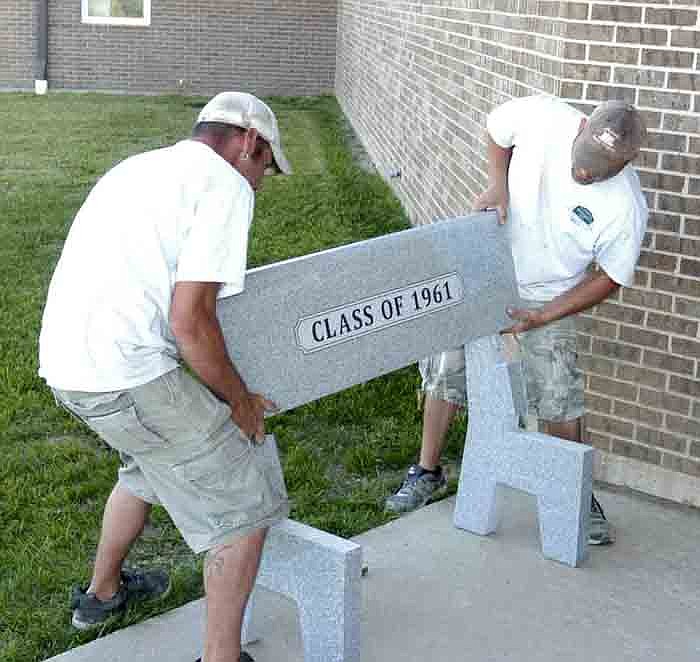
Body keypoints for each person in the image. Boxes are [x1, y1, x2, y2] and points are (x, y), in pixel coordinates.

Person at [39, 91, 292, 662]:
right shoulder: (225, 186)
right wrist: (240, 401)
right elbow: (192, 322)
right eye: (265, 168)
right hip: (123, 373)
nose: (260, 182)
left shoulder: (140, 166)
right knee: (244, 504)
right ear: (249, 143)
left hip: (67, 365)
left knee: (149, 462)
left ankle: (101, 596)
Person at [385, 95, 648, 546]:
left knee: (559, 393)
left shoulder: (627, 207)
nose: (583, 173)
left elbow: (610, 279)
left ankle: (575, 492)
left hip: (551, 292)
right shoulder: (544, 117)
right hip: (489, 266)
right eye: (582, 160)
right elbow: (496, 129)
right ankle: (428, 471)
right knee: (447, 370)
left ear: (626, 164)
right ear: (580, 126)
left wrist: (544, 315)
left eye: (599, 171)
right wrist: (497, 184)